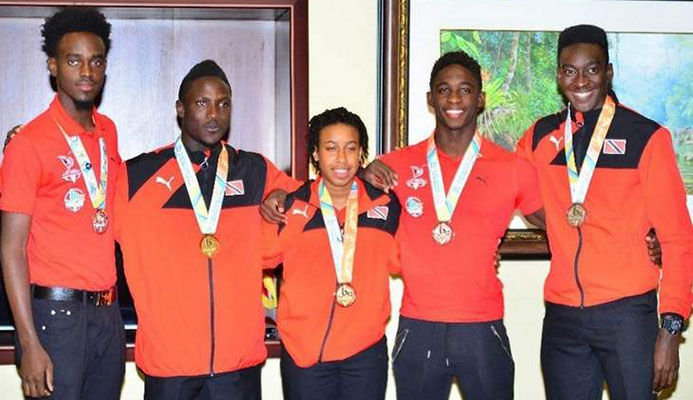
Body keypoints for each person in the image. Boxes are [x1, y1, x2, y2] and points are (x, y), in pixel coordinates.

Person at [516, 24, 693, 399]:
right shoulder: (539, 137)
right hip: (563, 319)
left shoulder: (646, 137)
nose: (580, 80)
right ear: (558, 74)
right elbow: (502, 183)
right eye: (569, 70)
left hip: (627, 317)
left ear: (608, 71)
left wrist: (671, 329)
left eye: (591, 69)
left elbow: (677, 238)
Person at [114, 59, 299, 400]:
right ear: (180, 109)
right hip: (169, 367)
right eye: (202, 103)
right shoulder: (136, 176)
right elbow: (77, 212)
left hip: (237, 368)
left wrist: (283, 193)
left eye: (223, 104)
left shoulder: (255, 169)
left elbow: (311, 205)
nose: (214, 113)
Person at [0, 7, 124, 400]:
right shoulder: (29, 143)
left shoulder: (108, 132)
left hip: (108, 314)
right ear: (54, 66)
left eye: (96, 61)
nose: (86, 71)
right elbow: (11, 248)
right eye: (74, 60)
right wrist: (30, 344)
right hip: (55, 319)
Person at [263, 107, 400, 400]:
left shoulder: (387, 207)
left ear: (362, 154)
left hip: (365, 355)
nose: (341, 158)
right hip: (305, 356)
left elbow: (414, 258)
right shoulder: (289, 208)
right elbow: (257, 256)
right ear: (315, 154)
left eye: (350, 149)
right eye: (330, 148)